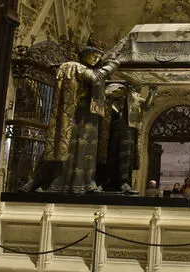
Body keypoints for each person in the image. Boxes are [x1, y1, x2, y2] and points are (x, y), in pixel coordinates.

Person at [19, 44, 122, 193]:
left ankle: (84, 183)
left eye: (98, 56)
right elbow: (94, 78)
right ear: (83, 55)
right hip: (75, 116)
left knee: (87, 151)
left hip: (90, 117)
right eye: (92, 53)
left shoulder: (90, 70)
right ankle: (55, 183)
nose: (96, 58)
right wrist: (113, 63)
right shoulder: (74, 66)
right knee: (70, 148)